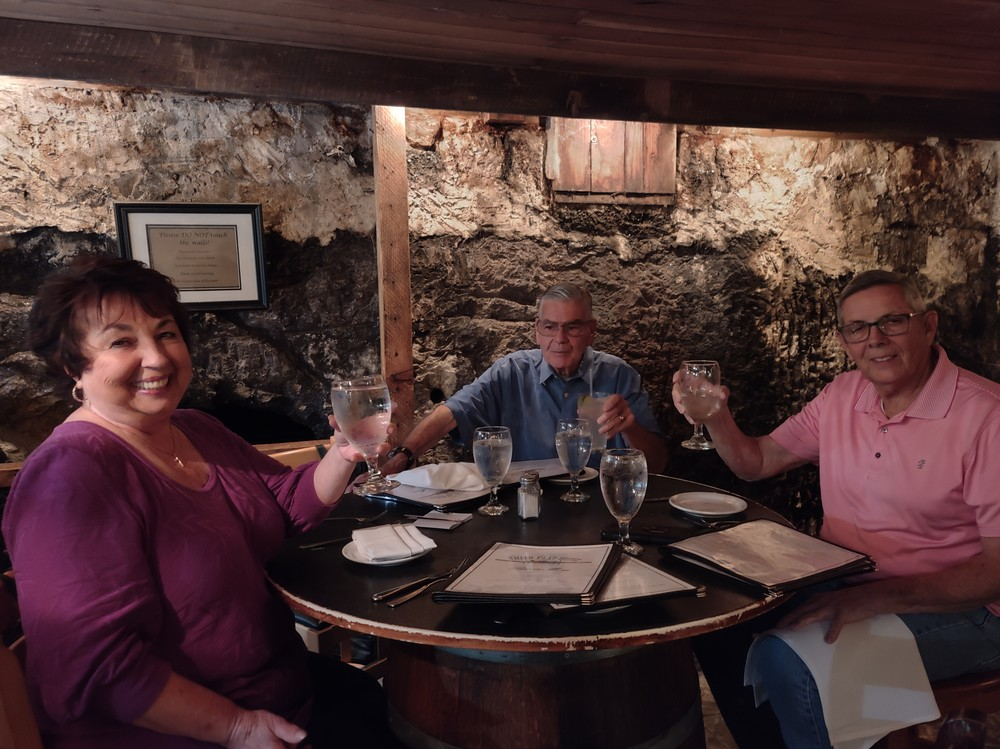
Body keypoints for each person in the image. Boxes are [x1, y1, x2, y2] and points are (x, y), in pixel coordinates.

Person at [2, 255, 402, 749]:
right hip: (189, 731)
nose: (157, 358)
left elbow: (281, 503)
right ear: (73, 367)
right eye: (122, 341)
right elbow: (94, 667)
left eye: (166, 333)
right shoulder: (69, 476)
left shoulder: (194, 427)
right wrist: (236, 727)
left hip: (281, 688)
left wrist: (343, 454)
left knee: (382, 703)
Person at [671, 269, 1000, 749]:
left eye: (892, 321)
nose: (876, 339)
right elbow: (757, 462)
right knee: (720, 623)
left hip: (970, 611)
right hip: (845, 580)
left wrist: (872, 599)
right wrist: (716, 417)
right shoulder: (843, 395)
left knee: (792, 664)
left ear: (928, 326)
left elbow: (996, 572)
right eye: (858, 328)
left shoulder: (987, 416)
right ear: (845, 342)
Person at [381, 282, 668, 474]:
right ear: (537, 330)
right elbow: (452, 413)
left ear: (591, 330)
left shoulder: (618, 376)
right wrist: (403, 455)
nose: (560, 339)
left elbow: (657, 466)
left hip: (600, 505)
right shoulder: (512, 371)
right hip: (528, 505)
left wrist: (630, 428)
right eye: (550, 327)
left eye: (572, 327)